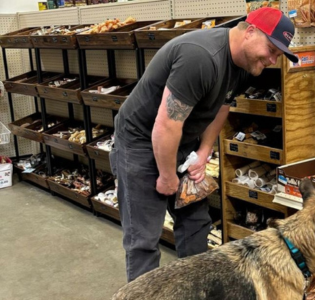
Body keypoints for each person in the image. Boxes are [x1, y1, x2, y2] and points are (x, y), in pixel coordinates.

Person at [109, 7, 299, 282]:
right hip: (141, 142)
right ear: (250, 32)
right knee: (144, 239)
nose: (271, 59)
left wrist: (203, 151)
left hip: (182, 142)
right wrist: (166, 175)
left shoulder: (246, 66)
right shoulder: (201, 57)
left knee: (196, 225)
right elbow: (166, 125)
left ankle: (195, 289)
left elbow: (222, 105)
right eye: (271, 49)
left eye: (278, 55)